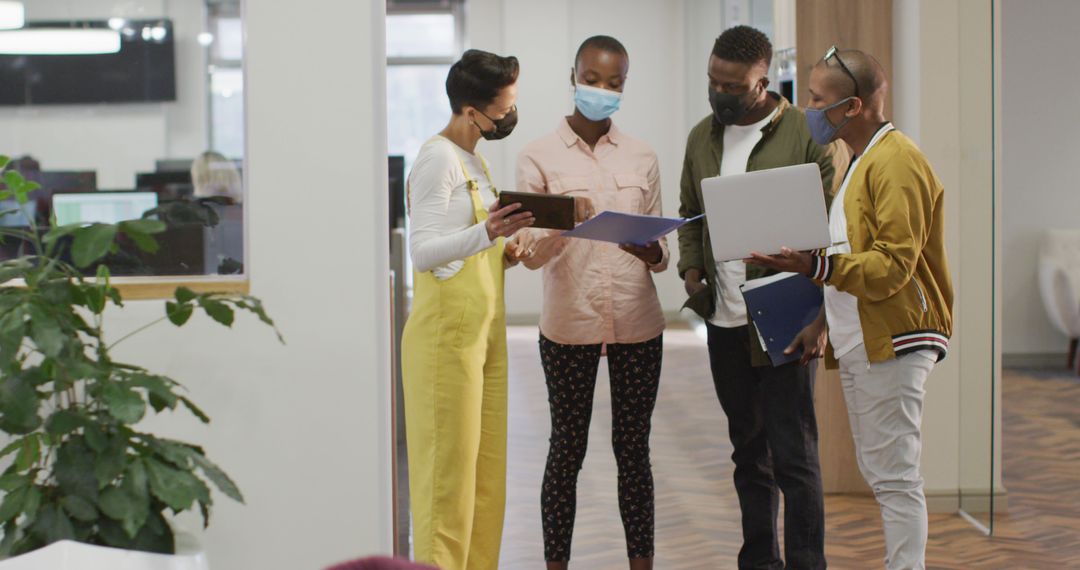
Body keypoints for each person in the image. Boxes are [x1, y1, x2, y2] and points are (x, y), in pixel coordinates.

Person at [747, 47, 954, 570]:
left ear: (854, 106)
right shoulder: (858, 162)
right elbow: (848, 259)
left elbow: (891, 266)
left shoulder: (897, 160)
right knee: (884, 471)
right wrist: (820, 321)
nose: (807, 108)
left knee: (896, 475)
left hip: (896, 336)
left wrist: (811, 267)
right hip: (863, 335)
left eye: (817, 100)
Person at [676, 26, 836, 570]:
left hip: (784, 314)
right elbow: (688, 211)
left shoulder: (805, 135)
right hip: (724, 320)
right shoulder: (702, 136)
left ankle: (807, 563)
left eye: (731, 84)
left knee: (794, 457)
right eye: (712, 81)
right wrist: (692, 266)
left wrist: (820, 315)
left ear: (762, 80)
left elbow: (833, 228)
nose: (718, 92)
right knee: (748, 453)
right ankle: (759, 561)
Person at [515, 35, 667, 570]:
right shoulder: (537, 155)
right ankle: (556, 563)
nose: (602, 90)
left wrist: (653, 250)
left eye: (615, 83)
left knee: (634, 453)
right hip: (569, 323)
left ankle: (641, 563)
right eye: (593, 79)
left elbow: (661, 251)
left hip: (637, 320)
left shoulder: (643, 156)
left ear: (625, 84)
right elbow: (527, 255)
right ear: (573, 75)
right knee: (566, 451)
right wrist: (562, 224)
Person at [400, 49, 535, 570]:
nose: (509, 115)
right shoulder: (437, 157)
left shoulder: (476, 160)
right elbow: (423, 253)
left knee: (484, 479)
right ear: (471, 110)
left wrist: (505, 251)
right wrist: (489, 232)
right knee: (446, 482)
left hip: (483, 335)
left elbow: (466, 250)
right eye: (505, 106)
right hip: (444, 341)